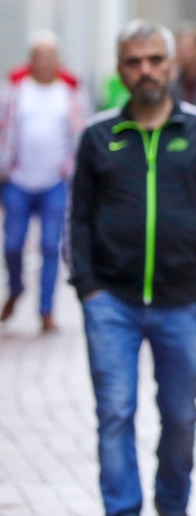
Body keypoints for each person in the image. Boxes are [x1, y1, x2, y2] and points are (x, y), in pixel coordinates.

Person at [67, 19, 196, 516]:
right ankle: (123, 509)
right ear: (120, 70)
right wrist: (86, 287)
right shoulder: (97, 136)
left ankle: (172, 507)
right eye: (135, 62)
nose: (146, 70)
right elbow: (77, 218)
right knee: (114, 413)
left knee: (180, 418)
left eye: (155, 60)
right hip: (111, 302)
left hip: (180, 303)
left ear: (172, 65)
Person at [0, 30, 92, 332]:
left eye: (50, 56)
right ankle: (15, 288)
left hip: (56, 181)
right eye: (39, 56)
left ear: (57, 60)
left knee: (51, 246)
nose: (45, 62)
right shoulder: (15, 90)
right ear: (31, 61)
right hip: (18, 180)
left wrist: (73, 169)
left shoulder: (70, 93)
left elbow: (81, 134)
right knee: (13, 244)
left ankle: (46, 309)